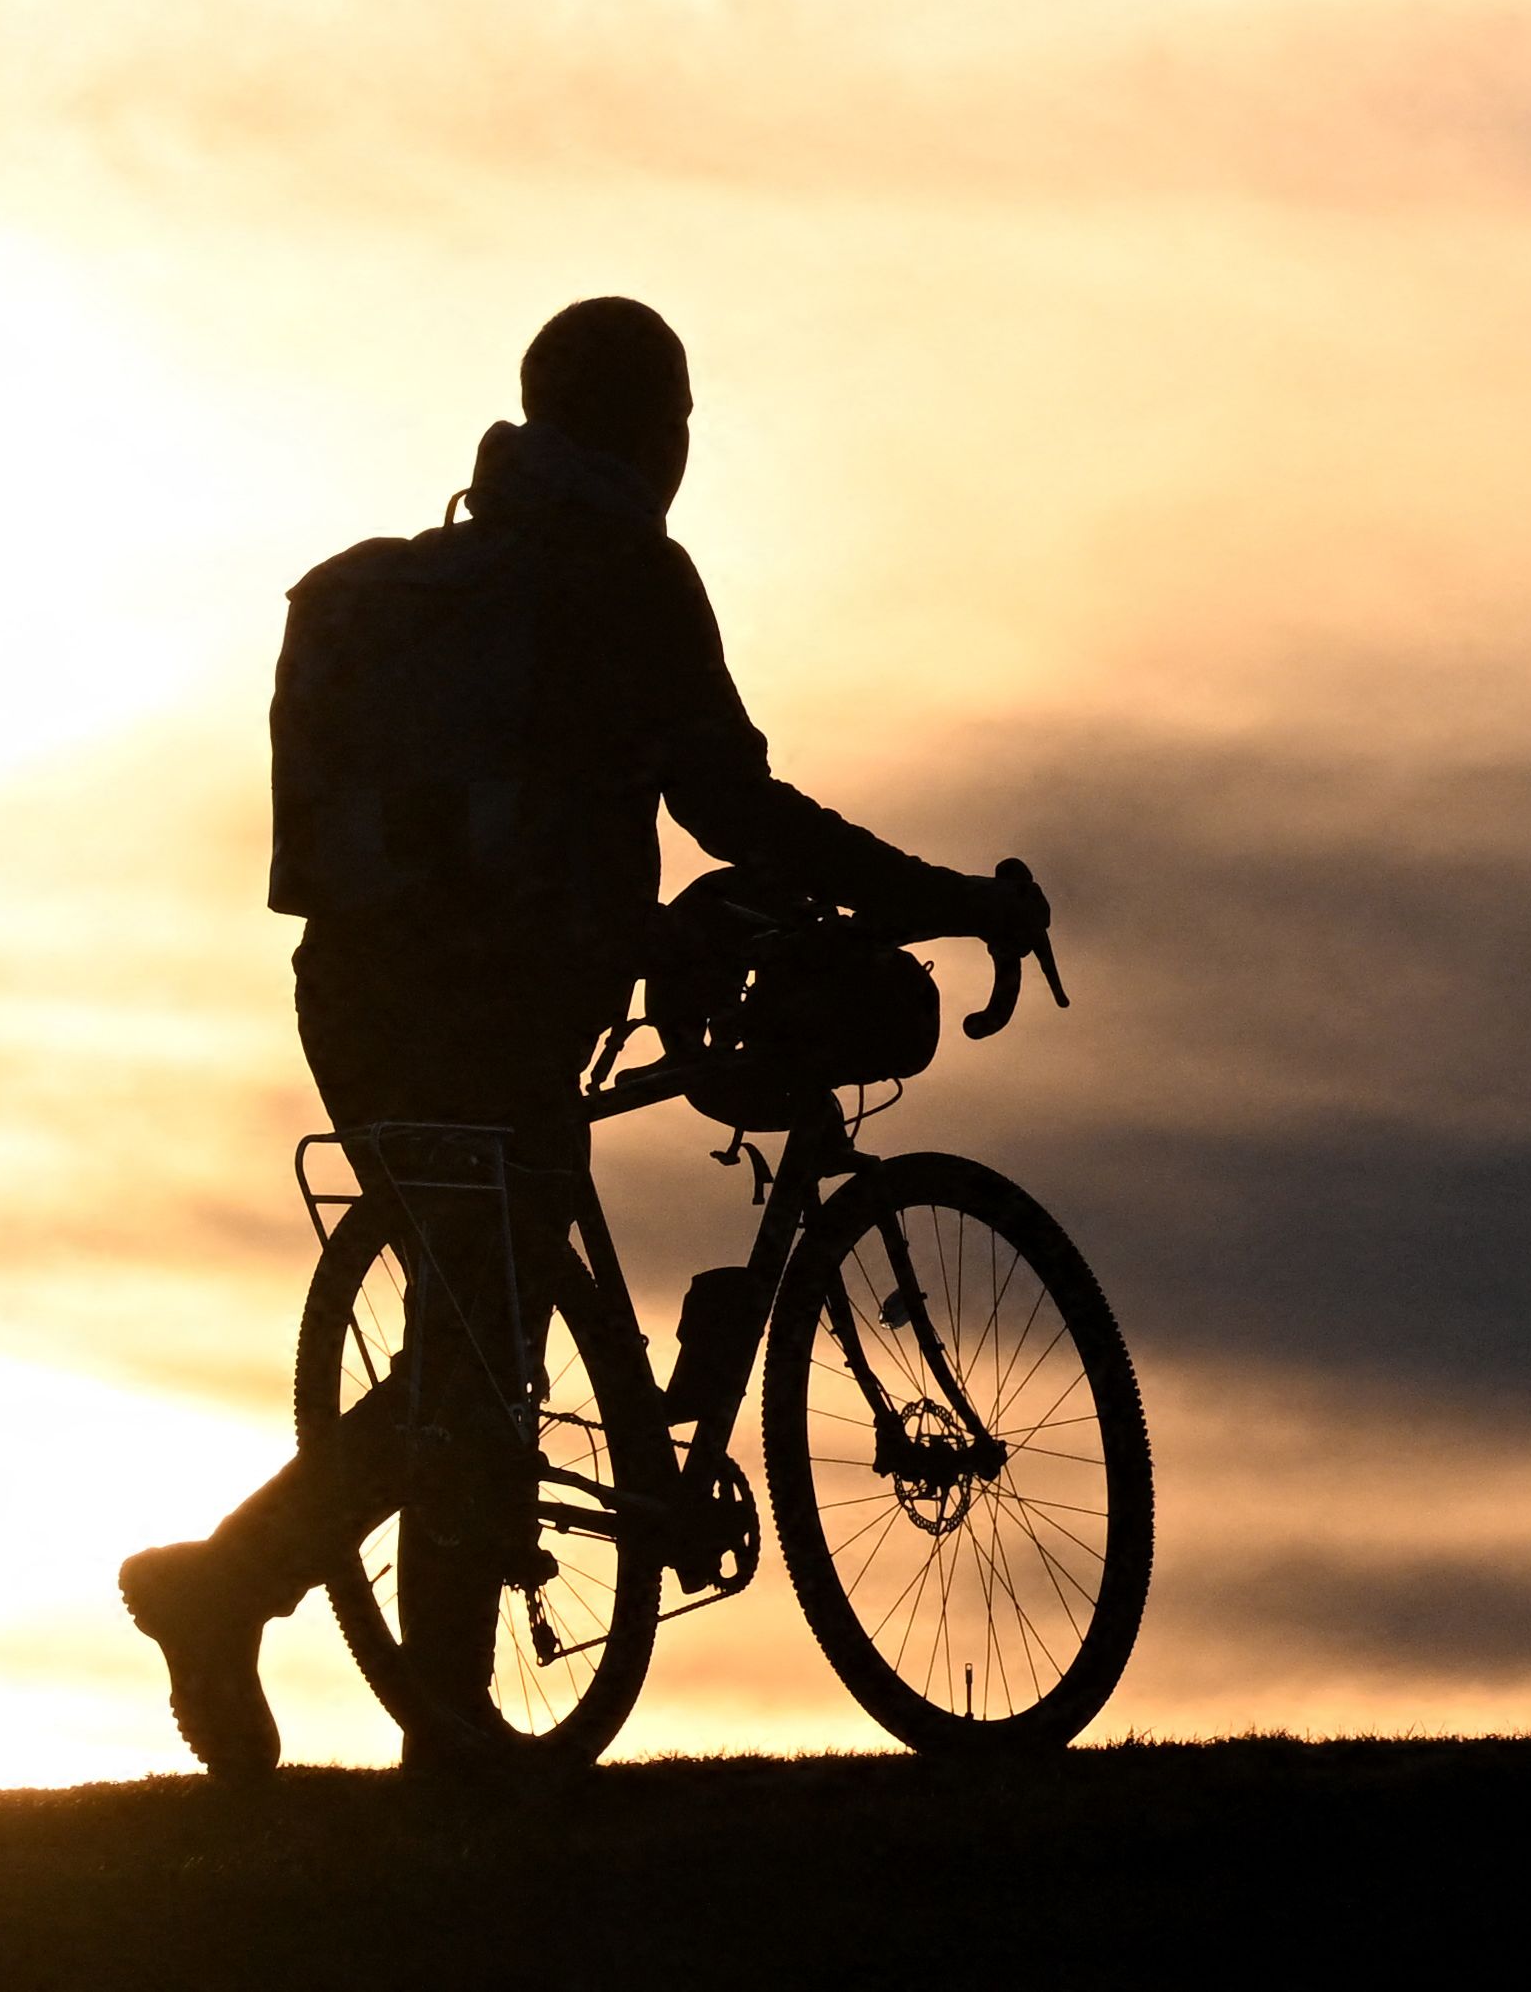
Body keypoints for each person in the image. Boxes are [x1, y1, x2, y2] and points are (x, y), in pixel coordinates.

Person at [110, 295, 1040, 1776]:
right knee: (483, 1348)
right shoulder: (627, 576)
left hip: (357, 987)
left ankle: (252, 1606)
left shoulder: (439, 581)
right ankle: (414, 1705)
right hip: (504, 995)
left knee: (473, 1331)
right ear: (660, 431)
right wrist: (948, 901)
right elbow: (735, 808)